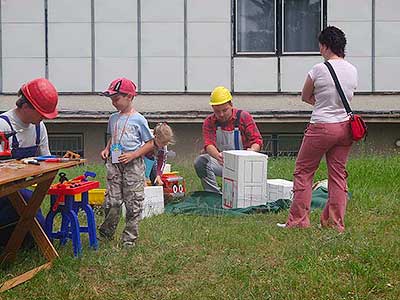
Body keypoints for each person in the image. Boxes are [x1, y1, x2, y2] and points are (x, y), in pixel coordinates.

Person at [278, 26, 358, 232]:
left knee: (304, 172)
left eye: (320, 46)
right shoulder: (352, 70)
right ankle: (334, 223)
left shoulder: (318, 70)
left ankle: (298, 222)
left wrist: (322, 105)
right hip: (345, 127)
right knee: (338, 175)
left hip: (321, 126)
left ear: (325, 46)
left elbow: (305, 96)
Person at [0, 77, 59, 246]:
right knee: (27, 213)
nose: (44, 118)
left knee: (38, 227)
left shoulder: (39, 127)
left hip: (19, 189)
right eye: (41, 113)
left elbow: (47, 159)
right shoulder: (3, 126)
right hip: (4, 193)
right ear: (25, 106)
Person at [98, 77, 153, 248]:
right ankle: (106, 232)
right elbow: (112, 137)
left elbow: (150, 143)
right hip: (114, 162)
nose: (114, 103)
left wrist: (133, 155)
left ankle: (129, 239)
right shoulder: (113, 118)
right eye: (112, 99)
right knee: (112, 201)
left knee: (133, 203)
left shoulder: (139, 119)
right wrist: (106, 149)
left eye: (117, 99)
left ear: (129, 97)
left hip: (133, 164)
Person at [194, 86, 263, 194]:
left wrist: (252, 152)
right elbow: (209, 144)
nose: (221, 114)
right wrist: (218, 156)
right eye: (217, 111)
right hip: (223, 161)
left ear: (231, 105)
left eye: (224, 110)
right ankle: (213, 194)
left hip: (243, 163)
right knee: (200, 162)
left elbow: (257, 140)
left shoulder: (244, 117)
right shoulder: (209, 122)